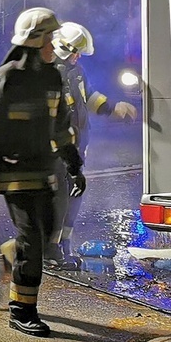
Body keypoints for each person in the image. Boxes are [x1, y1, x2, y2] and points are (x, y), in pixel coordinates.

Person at [0, 7, 85, 338]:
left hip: (46, 169)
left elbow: (61, 128)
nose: (54, 45)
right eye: (50, 38)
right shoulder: (5, 79)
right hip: (14, 171)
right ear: (35, 42)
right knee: (32, 240)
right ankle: (22, 311)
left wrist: (74, 164)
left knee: (45, 239)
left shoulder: (53, 78)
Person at [49, 21, 112, 263]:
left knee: (74, 196)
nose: (78, 57)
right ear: (64, 48)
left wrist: (111, 108)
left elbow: (90, 95)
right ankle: (50, 249)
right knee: (58, 199)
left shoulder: (77, 72)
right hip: (56, 151)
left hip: (76, 149)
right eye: (76, 52)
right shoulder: (49, 73)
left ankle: (65, 245)